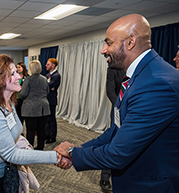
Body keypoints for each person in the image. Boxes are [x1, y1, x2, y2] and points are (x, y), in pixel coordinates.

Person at [54, 14, 179, 192]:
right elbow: (118, 129)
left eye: (109, 43)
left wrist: (73, 153)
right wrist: (81, 148)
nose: (103, 50)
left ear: (130, 42)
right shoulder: (140, 75)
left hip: (150, 185)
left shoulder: (156, 83)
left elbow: (118, 154)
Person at [0, 54, 61, 193]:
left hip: (4, 169)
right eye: (12, 73)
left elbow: (15, 133)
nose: (19, 77)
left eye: (17, 72)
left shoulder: (8, 103)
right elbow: (11, 154)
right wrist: (54, 156)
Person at [100, 67, 125, 191]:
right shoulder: (113, 69)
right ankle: (105, 177)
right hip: (118, 110)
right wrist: (121, 106)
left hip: (137, 110)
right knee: (113, 142)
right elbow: (110, 91)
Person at [20, 60, 50, 150]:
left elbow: (23, 94)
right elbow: (47, 91)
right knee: (41, 129)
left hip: (30, 109)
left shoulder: (28, 80)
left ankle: (30, 149)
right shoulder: (44, 79)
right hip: (43, 108)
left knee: (31, 130)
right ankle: (40, 147)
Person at [45, 58, 61, 144]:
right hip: (46, 99)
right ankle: (47, 135)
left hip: (51, 100)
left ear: (53, 65)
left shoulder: (56, 75)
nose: (46, 65)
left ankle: (52, 137)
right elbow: (47, 86)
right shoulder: (48, 75)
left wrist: (49, 87)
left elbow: (48, 86)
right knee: (47, 119)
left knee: (51, 119)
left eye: (48, 64)